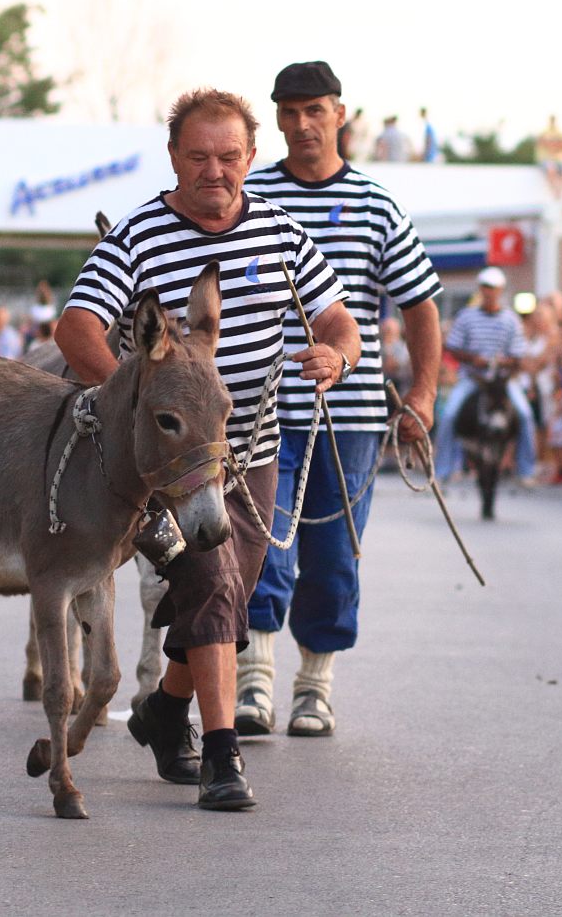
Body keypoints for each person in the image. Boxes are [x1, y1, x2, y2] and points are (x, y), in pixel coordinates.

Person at [58, 87, 358, 812]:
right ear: (173, 158)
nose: (214, 170)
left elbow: (338, 320)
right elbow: (76, 328)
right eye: (198, 156)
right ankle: (221, 754)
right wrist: (136, 396)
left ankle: (165, 706)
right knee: (216, 576)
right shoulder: (137, 235)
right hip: (161, 465)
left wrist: (335, 358)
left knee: (226, 586)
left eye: (229, 156)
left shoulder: (283, 233)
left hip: (250, 446)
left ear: (253, 158)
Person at [235, 61, 442, 740]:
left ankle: (315, 685)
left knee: (332, 553)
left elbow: (419, 304)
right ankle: (254, 679)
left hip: (350, 413)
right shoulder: (250, 196)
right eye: (288, 113)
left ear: (340, 114)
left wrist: (422, 392)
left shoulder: (376, 204)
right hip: (263, 407)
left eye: (314, 110)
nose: (301, 125)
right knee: (263, 541)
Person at [435, 268, 529, 483]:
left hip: (501, 380)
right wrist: (473, 359)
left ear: (500, 291)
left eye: (493, 289)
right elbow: (454, 347)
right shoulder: (466, 317)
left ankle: (525, 469)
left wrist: (502, 362)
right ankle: (443, 470)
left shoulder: (511, 320)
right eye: (485, 288)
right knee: (449, 415)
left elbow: (518, 354)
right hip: (473, 377)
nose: (489, 293)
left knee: (524, 415)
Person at [537, 116, 562, 200]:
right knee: (551, 170)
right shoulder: (544, 132)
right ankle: (555, 193)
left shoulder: (561, 132)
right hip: (547, 158)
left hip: (560, 159)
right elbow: (542, 143)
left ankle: (560, 193)